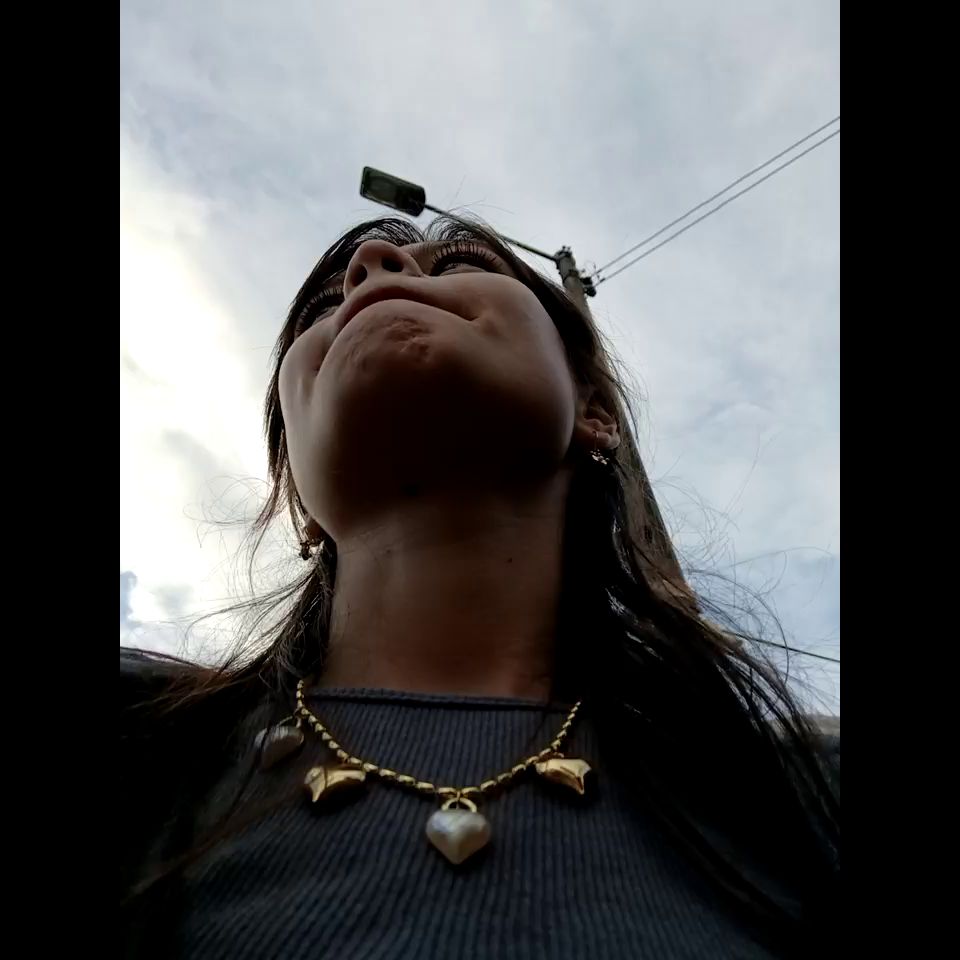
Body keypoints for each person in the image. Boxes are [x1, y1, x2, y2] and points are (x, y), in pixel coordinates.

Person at [121, 215, 839, 959]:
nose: (373, 263)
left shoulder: (790, 794)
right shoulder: (143, 745)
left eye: (460, 263)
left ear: (595, 411)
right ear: (298, 499)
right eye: (323, 309)